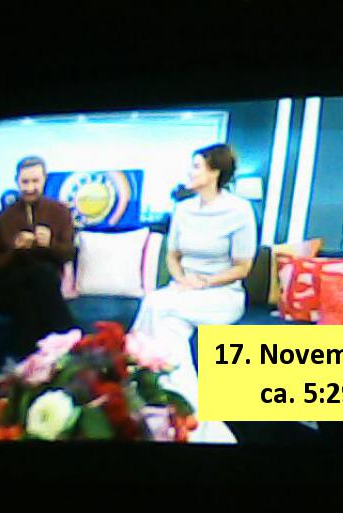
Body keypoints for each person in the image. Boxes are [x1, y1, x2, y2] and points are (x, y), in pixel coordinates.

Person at [129, 143, 257, 442]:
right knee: (163, 319)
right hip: (185, 288)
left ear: (215, 172)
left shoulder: (239, 210)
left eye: (196, 166)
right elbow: (172, 256)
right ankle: (184, 412)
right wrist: (182, 280)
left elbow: (243, 267)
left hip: (222, 293)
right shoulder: (183, 209)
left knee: (158, 306)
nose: (189, 172)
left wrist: (204, 283)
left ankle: (146, 390)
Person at [0, 156, 77, 357]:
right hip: (8, 287)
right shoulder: (1, 220)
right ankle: (71, 339)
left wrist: (49, 244)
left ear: (44, 180)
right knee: (40, 278)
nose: (30, 187)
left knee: (36, 292)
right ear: (17, 181)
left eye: (35, 181)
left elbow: (68, 254)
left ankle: (25, 361)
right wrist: (15, 250)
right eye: (25, 182)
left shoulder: (60, 212)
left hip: (42, 286)